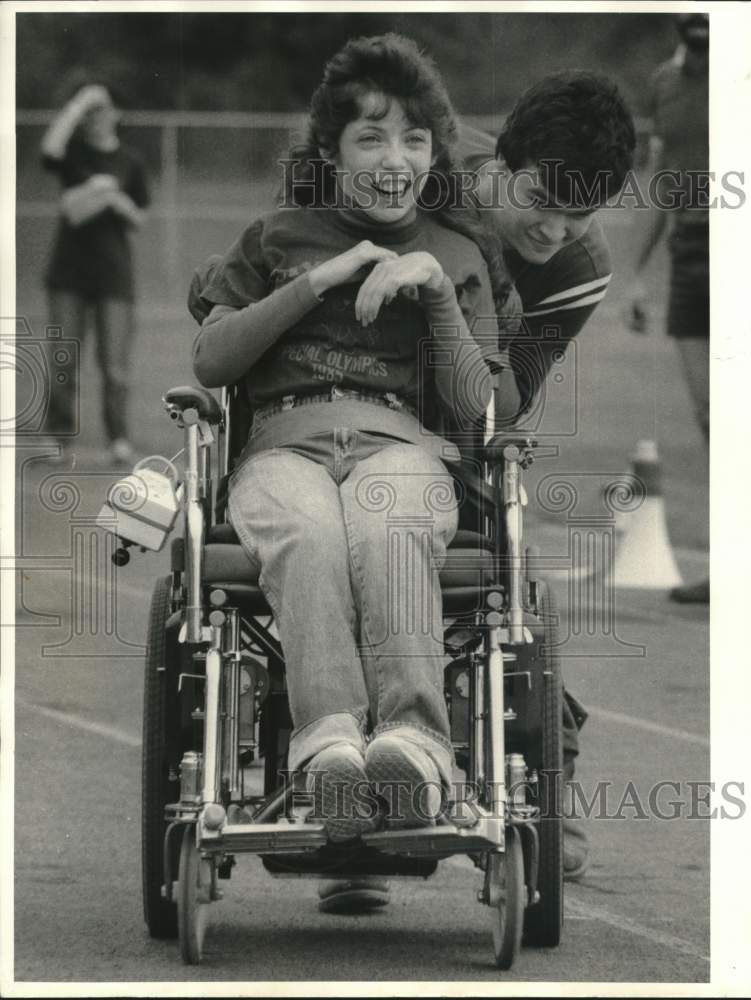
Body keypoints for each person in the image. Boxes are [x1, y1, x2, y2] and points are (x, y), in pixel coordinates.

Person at [316, 68, 637, 914]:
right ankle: (355, 820)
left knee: (498, 590)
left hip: (458, 428)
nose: (554, 225)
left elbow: (510, 401)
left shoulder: (576, 264)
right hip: (348, 405)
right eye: (541, 197)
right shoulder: (426, 173)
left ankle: (545, 747)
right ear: (502, 159)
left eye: (579, 212)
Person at [191, 35, 518, 846]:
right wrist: (319, 280)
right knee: (308, 531)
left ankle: (414, 748)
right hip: (282, 447)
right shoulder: (278, 233)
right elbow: (211, 357)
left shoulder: (456, 251)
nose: (394, 158)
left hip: (397, 446)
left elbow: (484, 409)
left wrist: (437, 294)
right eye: (369, 136)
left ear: (434, 153)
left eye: (412, 138)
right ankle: (329, 748)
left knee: (388, 517)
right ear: (331, 152)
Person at [623, 13, 709, 604]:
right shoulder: (666, 82)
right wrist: (634, 276)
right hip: (691, 251)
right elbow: (660, 178)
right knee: (715, 417)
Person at [40, 80, 150, 465]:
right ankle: (58, 437)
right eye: (90, 111)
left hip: (113, 275)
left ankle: (118, 439)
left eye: (101, 109)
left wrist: (116, 200)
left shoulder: (130, 161)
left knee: (115, 366)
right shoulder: (73, 152)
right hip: (68, 273)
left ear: (115, 114)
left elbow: (140, 216)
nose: (95, 117)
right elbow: (49, 151)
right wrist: (78, 101)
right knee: (63, 361)